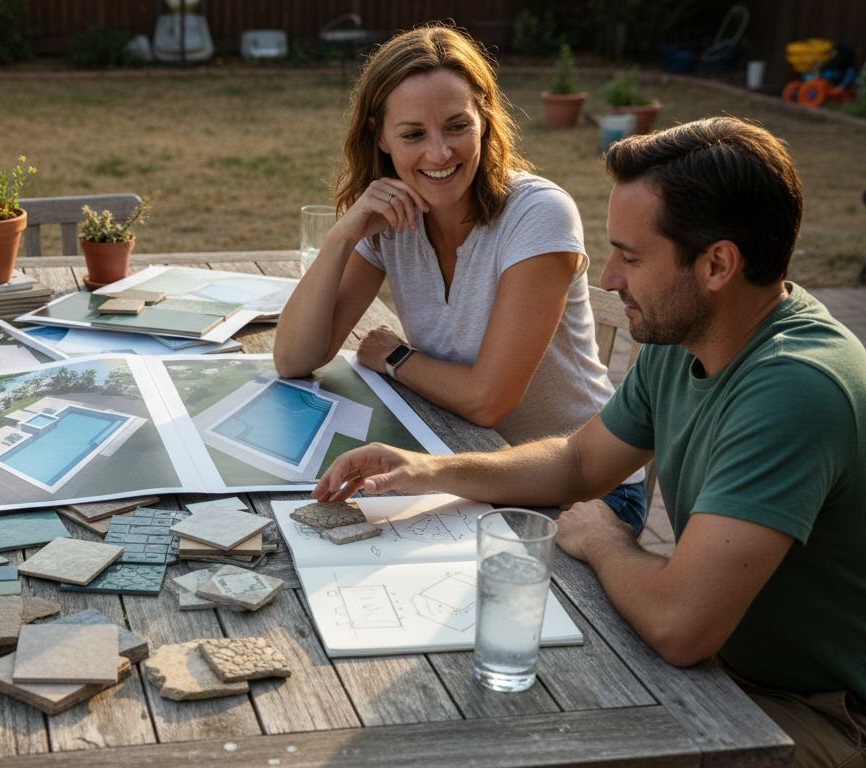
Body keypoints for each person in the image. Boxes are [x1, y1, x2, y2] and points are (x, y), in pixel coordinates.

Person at [312, 116, 866, 767]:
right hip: (744, 672)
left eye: (630, 256)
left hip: (851, 719)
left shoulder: (794, 388)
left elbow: (681, 625)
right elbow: (578, 461)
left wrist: (604, 541)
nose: (608, 279)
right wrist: (429, 470)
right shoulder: (689, 334)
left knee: (526, 736)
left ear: (717, 264)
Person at [273, 23, 647, 533]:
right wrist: (343, 235)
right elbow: (294, 359)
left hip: (580, 493)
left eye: (456, 126)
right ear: (379, 137)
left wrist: (398, 358)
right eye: (412, 134)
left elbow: (487, 400)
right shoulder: (390, 217)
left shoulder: (538, 214)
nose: (439, 153)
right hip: (463, 466)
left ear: (485, 120)